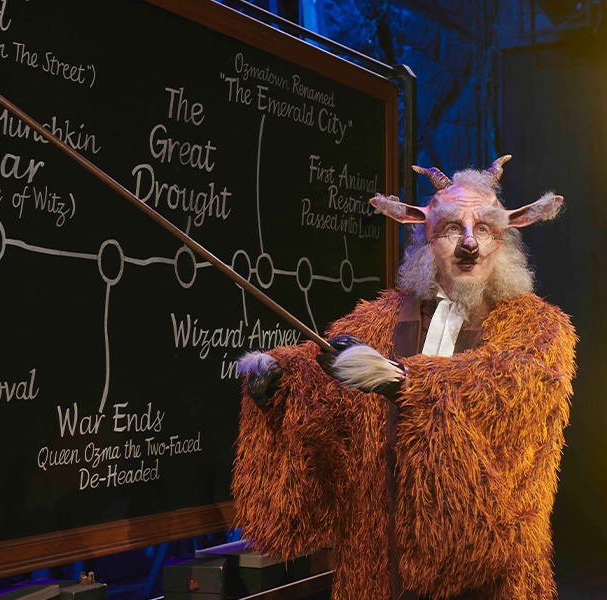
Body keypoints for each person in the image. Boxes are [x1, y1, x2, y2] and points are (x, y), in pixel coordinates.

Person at [232, 156, 577, 600]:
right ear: (425, 235)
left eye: (485, 229)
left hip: (485, 566)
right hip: (379, 552)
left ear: (506, 236)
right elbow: (324, 380)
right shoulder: (379, 319)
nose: (469, 243)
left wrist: (405, 382)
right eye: (453, 228)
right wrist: (277, 380)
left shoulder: (537, 325)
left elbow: (517, 384)